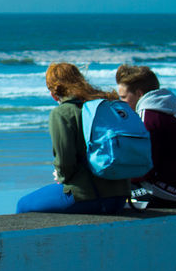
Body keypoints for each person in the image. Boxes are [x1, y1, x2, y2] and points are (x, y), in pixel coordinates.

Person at [16, 62, 129, 214]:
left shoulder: (63, 113)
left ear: (53, 93)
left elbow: (65, 163)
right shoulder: (104, 105)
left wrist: (60, 175)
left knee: (23, 205)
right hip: (120, 195)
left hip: (88, 196)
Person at [115, 64, 176, 208]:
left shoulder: (148, 115)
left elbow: (143, 168)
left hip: (165, 193)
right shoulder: (169, 108)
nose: (121, 102)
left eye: (124, 97)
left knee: (109, 191)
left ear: (139, 94)